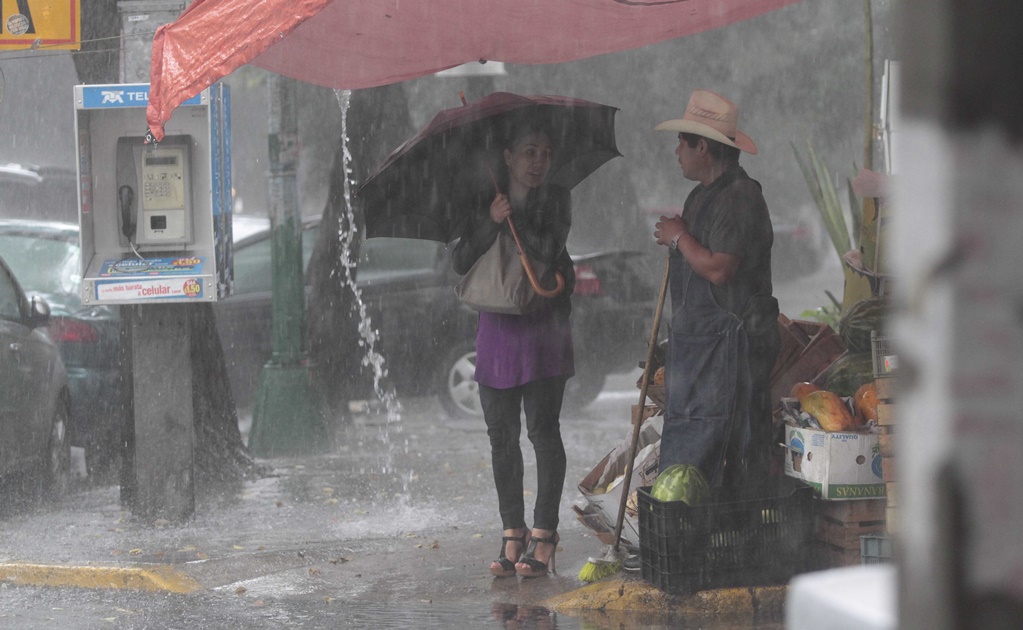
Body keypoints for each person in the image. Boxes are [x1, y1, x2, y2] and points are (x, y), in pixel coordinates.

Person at [451, 120, 576, 578]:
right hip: (498, 331)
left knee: (543, 432)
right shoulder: (485, 197)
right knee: (501, 437)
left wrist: (515, 217)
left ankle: (544, 535)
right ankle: (512, 532)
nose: (539, 161)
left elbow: (548, 246)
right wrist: (491, 220)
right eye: (529, 151)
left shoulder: (557, 198)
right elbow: (460, 260)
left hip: (544, 328)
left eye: (545, 151)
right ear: (507, 157)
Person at [652, 89, 781, 491]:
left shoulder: (740, 197)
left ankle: (730, 534)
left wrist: (678, 239)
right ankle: (697, 533)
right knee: (693, 453)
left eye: (682, 142)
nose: (677, 151)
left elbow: (720, 269)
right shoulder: (699, 196)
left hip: (732, 350)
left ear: (702, 147)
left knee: (733, 449)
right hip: (699, 350)